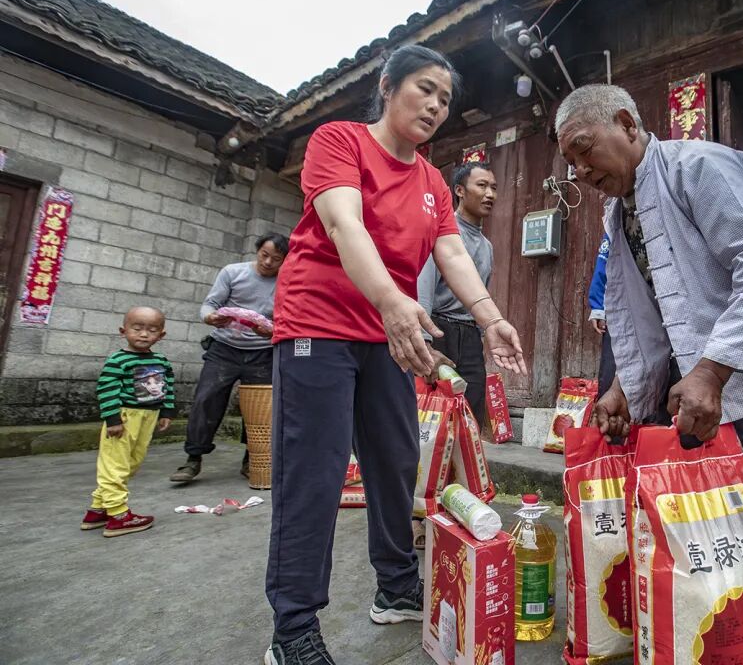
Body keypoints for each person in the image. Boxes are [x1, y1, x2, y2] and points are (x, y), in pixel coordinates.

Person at [264, 45, 527, 665]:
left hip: (389, 337)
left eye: (445, 99)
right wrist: (391, 299)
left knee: (396, 459)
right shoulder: (341, 141)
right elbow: (343, 225)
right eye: (424, 89)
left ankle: (396, 585)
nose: (435, 106)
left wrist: (491, 319)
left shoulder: (433, 181)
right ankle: (293, 628)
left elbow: (451, 254)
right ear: (387, 86)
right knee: (315, 473)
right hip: (319, 326)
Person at [555, 84, 743, 653]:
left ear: (627, 123)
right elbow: (650, 314)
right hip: (701, 390)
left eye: (584, 149)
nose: (580, 170)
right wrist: (624, 388)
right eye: (571, 162)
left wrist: (711, 371)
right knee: (702, 532)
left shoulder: (699, 166)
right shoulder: (619, 213)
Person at [170, 233, 287, 483]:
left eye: (276, 259)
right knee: (206, 399)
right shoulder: (233, 272)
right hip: (224, 348)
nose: (268, 262)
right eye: (264, 255)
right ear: (257, 251)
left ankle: (251, 459)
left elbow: (289, 321)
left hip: (263, 353)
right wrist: (210, 317)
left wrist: (272, 331)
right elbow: (209, 304)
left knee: (259, 409)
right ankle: (193, 458)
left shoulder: (287, 283)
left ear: (285, 261)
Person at [81, 306, 175, 537]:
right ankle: (118, 515)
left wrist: (166, 412)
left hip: (148, 418)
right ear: (123, 331)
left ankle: (98, 510)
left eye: (152, 330)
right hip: (124, 418)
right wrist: (113, 419)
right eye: (137, 328)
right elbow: (106, 389)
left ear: (161, 335)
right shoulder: (118, 360)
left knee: (132, 462)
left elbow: (168, 386)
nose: (144, 334)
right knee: (115, 465)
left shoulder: (161, 360)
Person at [417, 161, 497, 429]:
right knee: (432, 413)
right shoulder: (442, 232)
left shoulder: (487, 247)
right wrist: (425, 341)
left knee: (471, 412)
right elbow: (424, 285)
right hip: (439, 330)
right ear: (459, 191)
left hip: (470, 336)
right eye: (482, 186)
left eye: (493, 187)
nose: (490, 194)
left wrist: (483, 334)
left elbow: (482, 293)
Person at [586, 232, 615, 394]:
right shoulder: (615, 225)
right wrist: (598, 308)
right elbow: (603, 264)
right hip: (619, 310)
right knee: (611, 373)